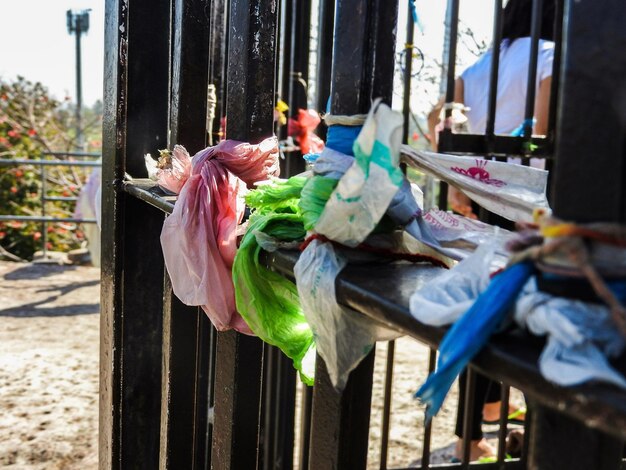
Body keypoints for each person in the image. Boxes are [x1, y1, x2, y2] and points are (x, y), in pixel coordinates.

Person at [427, 0, 556, 461]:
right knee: (529, 311)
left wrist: (457, 184)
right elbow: (541, 137)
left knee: (486, 304)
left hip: (483, 200)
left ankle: (475, 431)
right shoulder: (550, 56)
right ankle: (527, 430)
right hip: (530, 204)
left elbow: (435, 120)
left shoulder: (480, 66)